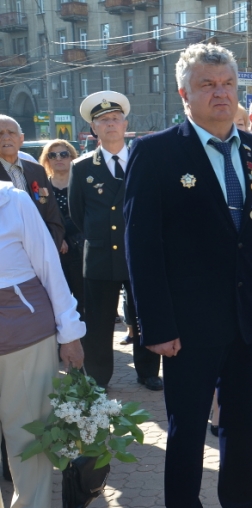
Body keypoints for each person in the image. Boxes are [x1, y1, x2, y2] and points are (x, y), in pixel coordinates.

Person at [124, 44, 252, 508]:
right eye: (207, 85)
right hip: (187, 324)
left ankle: (245, 506)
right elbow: (142, 246)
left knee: (244, 420)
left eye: (227, 84)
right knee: (187, 427)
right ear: (184, 94)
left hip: (247, 317)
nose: (220, 93)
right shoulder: (155, 153)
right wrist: (155, 325)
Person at [0, 181, 86, 508]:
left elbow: (49, 264)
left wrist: (69, 332)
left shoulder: (12, 199)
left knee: (28, 437)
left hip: (23, 334)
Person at [68, 92, 162, 391]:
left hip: (140, 254)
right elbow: (77, 213)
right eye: (103, 120)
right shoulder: (81, 168)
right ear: (93, 128)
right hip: (99, 255)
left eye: (115, 119)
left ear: (126, 124)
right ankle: (98, 375)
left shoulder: (144, 160)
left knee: (145, 314)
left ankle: (148, 371)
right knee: (98, 322)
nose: (111, 124)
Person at [0, 116, 64, 250]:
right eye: (0, 133)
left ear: (21, 139)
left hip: (42, 250)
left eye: (11, 132)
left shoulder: (37, 171)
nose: (6, 137)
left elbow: (52, 214)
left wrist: (49, 248)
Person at [40, 140, 83, 317]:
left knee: (83, 301)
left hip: (81, 249)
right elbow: (39, 218)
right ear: (47, 160)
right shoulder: (41, 187)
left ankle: (84, 342)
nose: (58, 158)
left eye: (63, 154)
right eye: (53, 155)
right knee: (57, 302)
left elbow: (85, 215)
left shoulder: (81, 184)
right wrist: (58, 238)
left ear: (72, 157)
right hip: (53, 252)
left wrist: (64, 235)